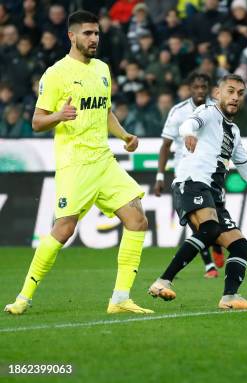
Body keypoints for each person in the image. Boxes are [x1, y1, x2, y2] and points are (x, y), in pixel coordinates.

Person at [5, 11, 153, 315]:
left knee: (137, 219)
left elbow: (105, 111)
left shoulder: (102, 69)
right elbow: (36, 121)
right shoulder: (56, 73)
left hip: (104, 160)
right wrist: (59, 116)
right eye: (87, 33)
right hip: (75, 164)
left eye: (96, 33)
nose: (94, 39)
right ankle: (23, 297)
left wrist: (125, 135)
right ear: (72, 36)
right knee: (64, 229)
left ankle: (120, 299)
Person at [148, 74, 247, 310]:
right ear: (217, 94)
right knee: (209, 229)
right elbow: (188, 124)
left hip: (214, 194)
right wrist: (188, 133)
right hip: (192, 182)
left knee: (240, 245)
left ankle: (230, 297)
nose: (235, 98)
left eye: (240, 94)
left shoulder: (234, 131)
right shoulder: (208, 113)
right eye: (230, 91)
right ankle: (162, 281)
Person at [153, 72, 224, 278]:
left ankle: (216, 246)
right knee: (194, 220)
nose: (200, 91)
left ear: (209, 88)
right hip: (185, 173)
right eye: (196, 87)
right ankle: (209, 264)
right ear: (189, 89)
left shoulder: (216, 110)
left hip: (210, 171)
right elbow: (165, 145)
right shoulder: (178, 112)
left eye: (204, 87)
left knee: (214, 216)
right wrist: (159, 177)